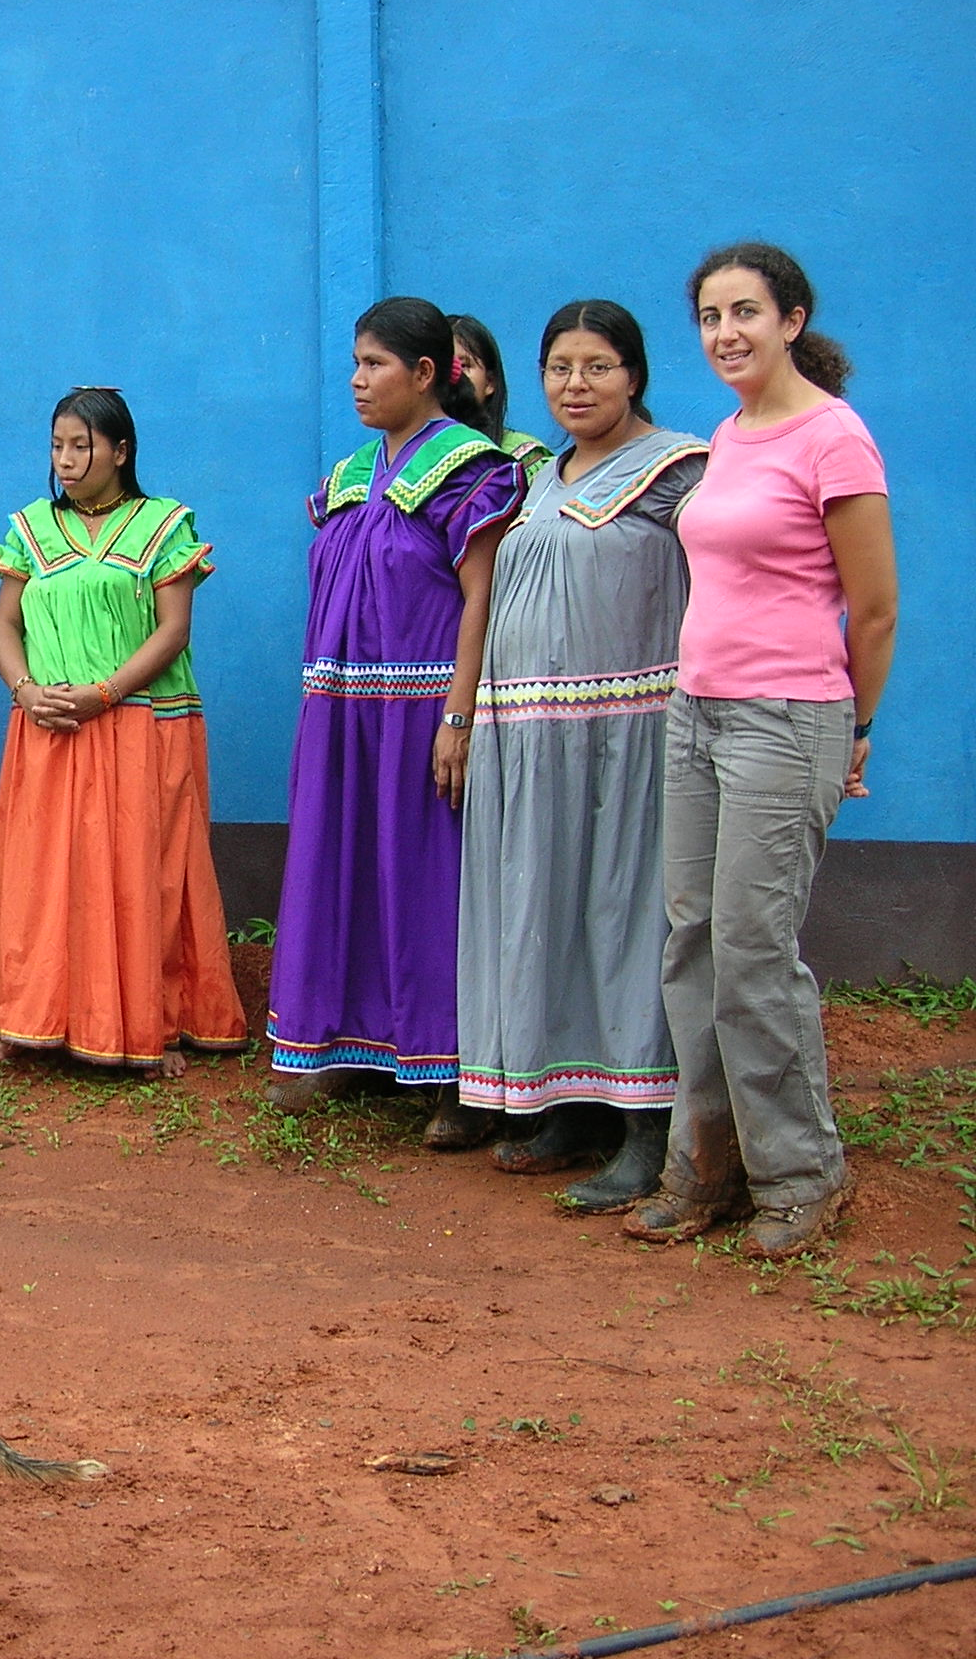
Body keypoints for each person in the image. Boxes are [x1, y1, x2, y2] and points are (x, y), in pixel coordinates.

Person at [625, 243, 896, 1259]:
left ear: (790, 318)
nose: (724, 333)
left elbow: (871, 607)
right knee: (689, 940)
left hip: (787, 718)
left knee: (749, 950)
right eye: (707, 316)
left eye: (744, 311)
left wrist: (853, 728)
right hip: (693, 710)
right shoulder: (728, 437)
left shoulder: (834, 439)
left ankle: (799, 1174)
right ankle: (704, 1168)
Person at [456, 301, 706, 1210]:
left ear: (634, 375)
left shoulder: (679, 472)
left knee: (626, 917)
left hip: (629, 738)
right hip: (529, 737)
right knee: (545, 914)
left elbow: (731, 580)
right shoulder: (540, 478)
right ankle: (568, 1102)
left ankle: (648, 1127)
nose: (576, 384)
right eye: (560, 367)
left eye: (597, 367)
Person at [267, 298, 528, 1140]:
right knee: (340, 868)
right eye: (354, 362)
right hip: (341, 710)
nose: (357, 379)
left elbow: (480, 598)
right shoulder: (348, 475)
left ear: (425, 375)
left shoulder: (471, 471)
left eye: (375, 364)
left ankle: (450, 1069)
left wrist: (458, 716)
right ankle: (343, 1044)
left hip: (421, 712)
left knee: (426, 880)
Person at [0, 387, 248, 1077]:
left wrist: (105, 693)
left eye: (82, 445)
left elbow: (173, 629)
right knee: (42, 873)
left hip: (139, 724)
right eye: (57, 446)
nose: (66, 460)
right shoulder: (32, 529)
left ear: (121, 451)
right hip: (47, 725)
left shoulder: (163, 526)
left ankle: (146, 1020)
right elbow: (6, 625)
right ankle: (36, 1017)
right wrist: (27, 690)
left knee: (142, 873)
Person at [451, 314, 553, 472]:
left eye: (464, 366)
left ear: (490, 382)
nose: (453, 375)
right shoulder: (409, 457)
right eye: (443, 365)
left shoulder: (523, 460)